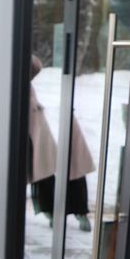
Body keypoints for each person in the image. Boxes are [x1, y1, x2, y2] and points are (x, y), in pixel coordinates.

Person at [27, 55, 96, 231]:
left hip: (61, 120)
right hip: (41, 128)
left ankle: (80, 212)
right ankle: (53, 212)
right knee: (45, 173)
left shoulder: (36, 70)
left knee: (73, 169)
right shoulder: (17, 78)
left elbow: (36, 65)